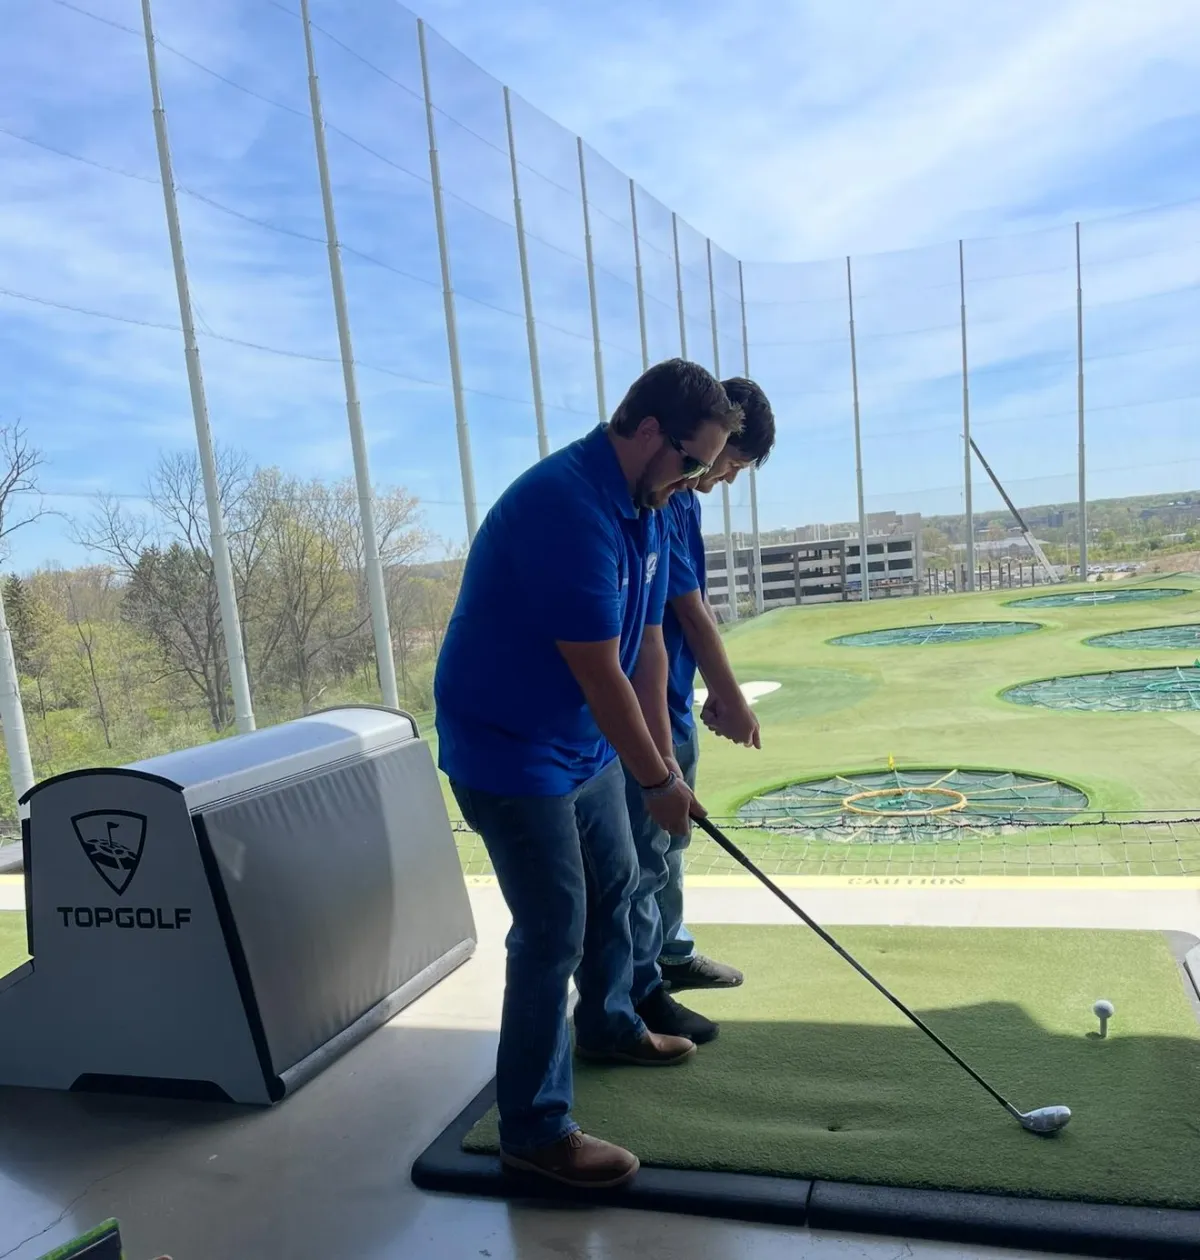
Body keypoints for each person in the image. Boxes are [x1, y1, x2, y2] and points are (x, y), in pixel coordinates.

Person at [434, 359, 744, 1190]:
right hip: (508, 747)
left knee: (618, 880)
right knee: (553, 926)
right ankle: (533, 1130)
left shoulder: (646, 503)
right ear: (647, 432)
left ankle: (609, 1023)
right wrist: (654, 782)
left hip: (581, 741)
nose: (695, 481)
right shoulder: (567, 507)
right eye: (691, 462)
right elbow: (597, 671)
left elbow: (646, 646)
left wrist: (661, 765)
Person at [623, 377, 776, 1041]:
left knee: (667, 841)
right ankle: (640, 987)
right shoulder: (670, 495)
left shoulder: (679, 494)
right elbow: (679, 612)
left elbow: (673, 625)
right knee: (644, 854)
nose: (724, 479)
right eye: (730, 465)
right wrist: (731, 699)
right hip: (641, 712)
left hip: (671, 699)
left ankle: (668, 956)